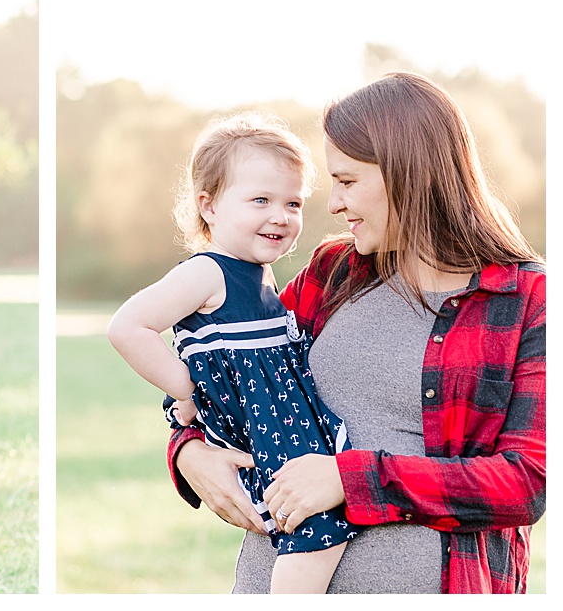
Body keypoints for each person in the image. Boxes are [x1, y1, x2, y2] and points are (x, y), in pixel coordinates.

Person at [167, 73, 545, 593]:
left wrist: (350, 479)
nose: (334, 205)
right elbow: (224, 368)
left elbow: (526, 481)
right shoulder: (333, 272)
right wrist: (189, 452)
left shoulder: (526, 299)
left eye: (347, 181)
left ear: (407, 172)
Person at [107, 114, 351, 593]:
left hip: (285, 417)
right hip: (266, 428)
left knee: (321, 515)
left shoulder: (259, 274)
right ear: (210, 206)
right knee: (316, 528)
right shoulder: (207, 272)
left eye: (293, 202)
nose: (280, 215)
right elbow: (127, 326)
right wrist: (187, 389)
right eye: (260, 200)